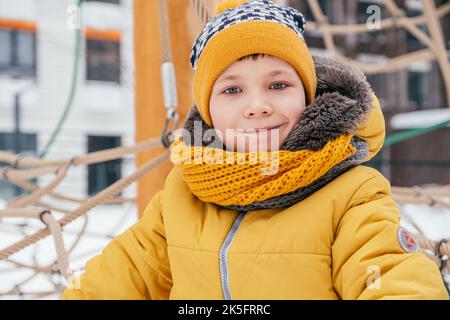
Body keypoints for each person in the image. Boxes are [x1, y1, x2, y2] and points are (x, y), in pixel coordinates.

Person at [61, 0, 449, 299]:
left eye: (278, 85)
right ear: (208, 111)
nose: (257, 105)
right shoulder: (181, 197)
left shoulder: (351, 195)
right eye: (232, 89)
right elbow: (121, 276)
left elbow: (391, 274)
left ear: (308, 94)